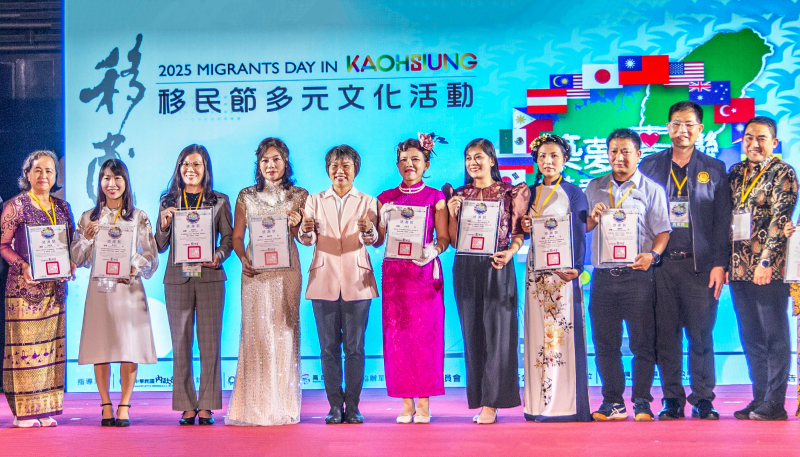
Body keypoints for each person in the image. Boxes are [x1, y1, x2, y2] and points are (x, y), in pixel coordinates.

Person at [639, 101, 732, 420]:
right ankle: (672, 399)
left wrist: (720, 263)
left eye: (689, 124)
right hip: (661, 267)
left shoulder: (714, 168)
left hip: (700, 267)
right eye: (677, 123)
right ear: (668, 127)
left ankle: (703, 398)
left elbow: (722, 221)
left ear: (700, 129)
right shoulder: (650, 165)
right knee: (666, 336)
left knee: (701, 336)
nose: (683, 130)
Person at [585, 128, 671, 422]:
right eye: (613, 151)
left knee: (642, 343)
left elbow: (663, 231)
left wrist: (653, 256)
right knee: (605, 343)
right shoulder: (594, 186)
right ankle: (613, 401)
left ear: (638, 154)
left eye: (625, 151)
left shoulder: (652, 189)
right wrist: (592, 218)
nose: (618, 157)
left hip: (638, 277)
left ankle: (642, 401)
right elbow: (583, 227)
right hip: (603, 277)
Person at [225, 138, 307, 426]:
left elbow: (302, 238)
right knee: (257, 334)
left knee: (285, 332)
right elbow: (237, 237)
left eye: (276, 159)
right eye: (265, 160)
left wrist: (298, 223)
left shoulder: (299, 195)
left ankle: (283, 405)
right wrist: (242, 258)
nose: (270, 165)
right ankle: (255, 407)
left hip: (287, 272)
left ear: (286, 162)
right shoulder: (246, 196)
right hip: (255, 273)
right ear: (258, 164)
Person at [446, 138, 529, 424]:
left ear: (492, 160)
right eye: (468, 157)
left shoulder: (509, 192)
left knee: (498, 334)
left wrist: (510, 253)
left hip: (498, 263)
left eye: (479, 156)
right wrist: (453, 213)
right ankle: (481, 399)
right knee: (473, 334)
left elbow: (518, 233)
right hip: (466, 266)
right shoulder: (459, 194)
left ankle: (492, 403)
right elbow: (454, 240)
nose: (473, 162)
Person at [71, 159, 159, 427]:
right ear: (100, 182)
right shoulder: (88, 217)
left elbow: (151, 256)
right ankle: (105, 405)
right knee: (101, 345)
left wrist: (134, 267)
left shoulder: (138, 216)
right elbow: (78, 258)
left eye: (117, 178)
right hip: (100, 290)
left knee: (128, 346)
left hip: (128, 288)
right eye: (106, 178)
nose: (112, 184)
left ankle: (124, 405)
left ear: (126, 182)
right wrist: (86, 238)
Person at [299, 144, 379, 425]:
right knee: (328, 348)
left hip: (358, 281)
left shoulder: (368, 201)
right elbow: (307, 239)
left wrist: (369, 231)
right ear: (328, 170)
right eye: (334, 165)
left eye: (346, 165)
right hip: (323, 280)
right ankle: (335, 405)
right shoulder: (314, 200)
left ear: (355, 169)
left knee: (355, 348)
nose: (340, 170)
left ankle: (353, 406)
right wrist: (305, 231)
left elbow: (373, 239)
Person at [155, 144, 233, 425]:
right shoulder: (168, 200)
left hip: (210, 276)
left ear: (205, 168)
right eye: (186, 164)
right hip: (177, 278)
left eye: (197, 164)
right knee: (180, 344)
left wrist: (218, 255)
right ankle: (186, 404)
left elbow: (228, 239)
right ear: (179, 168)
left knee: (210, 344)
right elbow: (159, 245)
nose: (191, 169)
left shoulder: (220, 200)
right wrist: (164, 225)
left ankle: (208, 404)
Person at [375, 134, 449, 424]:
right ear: (397, 165)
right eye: (404, 160)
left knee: (426, 338)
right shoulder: (385, 198)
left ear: (426, 164)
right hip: (396, 278)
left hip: (424, 275)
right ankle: (406, 401)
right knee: (399, 338)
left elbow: (444, 238)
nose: (409, 164)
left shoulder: (436, 198)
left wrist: (434, 250)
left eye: (415, 159)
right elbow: (378, 239)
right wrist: (374, 228)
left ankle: (425, 402)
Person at [0, 150, 76, 427]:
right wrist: (23, 265)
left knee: (50, 351)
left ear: (56, 176)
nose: (44, 175)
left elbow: (71, 244)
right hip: (24, 291)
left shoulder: (63, 207)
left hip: (55, 291)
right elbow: (2, 245)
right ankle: (23, 412)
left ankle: (44, 409)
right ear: (27, 174)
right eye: (38, 170)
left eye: (49, 170)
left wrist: (72, 263)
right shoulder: (16, 206)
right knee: (25, 351)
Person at [520, 134, 591, 422]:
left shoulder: (573, 192)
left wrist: (578, 267)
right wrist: (524, 225)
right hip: (535, 274)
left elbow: (580, 233)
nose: (548, 161)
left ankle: (563, 406)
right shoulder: (527, 193)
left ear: (565, 160)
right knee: (538, 336)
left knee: (560, 336)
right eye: (542, 156)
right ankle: (537, 404)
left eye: (554, 156)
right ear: (536, 161)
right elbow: (521, 232)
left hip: (562, 274)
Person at [729, 116, 797, 421]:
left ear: (774, 142)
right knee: (751, 337)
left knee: (774, 336)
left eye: (761, 138)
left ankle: (775, 403)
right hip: (738, 269)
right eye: (749, 138)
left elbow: (780, 220)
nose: (754, 144)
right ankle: (759, 398)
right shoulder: (735, 173)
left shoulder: (783, 172)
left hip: (768, 268)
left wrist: (765, 261)